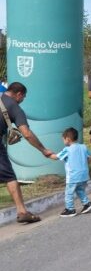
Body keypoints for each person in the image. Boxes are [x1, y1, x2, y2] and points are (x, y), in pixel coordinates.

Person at [0, 83, 54, 223]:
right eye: (23, 97)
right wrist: (43, 150)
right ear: (19, 94)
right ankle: (22, 212)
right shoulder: (14, 107)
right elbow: (27, 134)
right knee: (10, 178)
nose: (23, 99)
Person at [49, 127, 91, 217]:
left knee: (69, 193)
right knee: (80, 190)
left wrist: (48, 154)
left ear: (68, 139)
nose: (63, 141)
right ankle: (87, 204)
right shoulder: (83, 147)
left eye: (63, 139)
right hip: (84, 175)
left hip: (73, 176)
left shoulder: (67, 149)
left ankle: (70, 209)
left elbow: (56, 157)